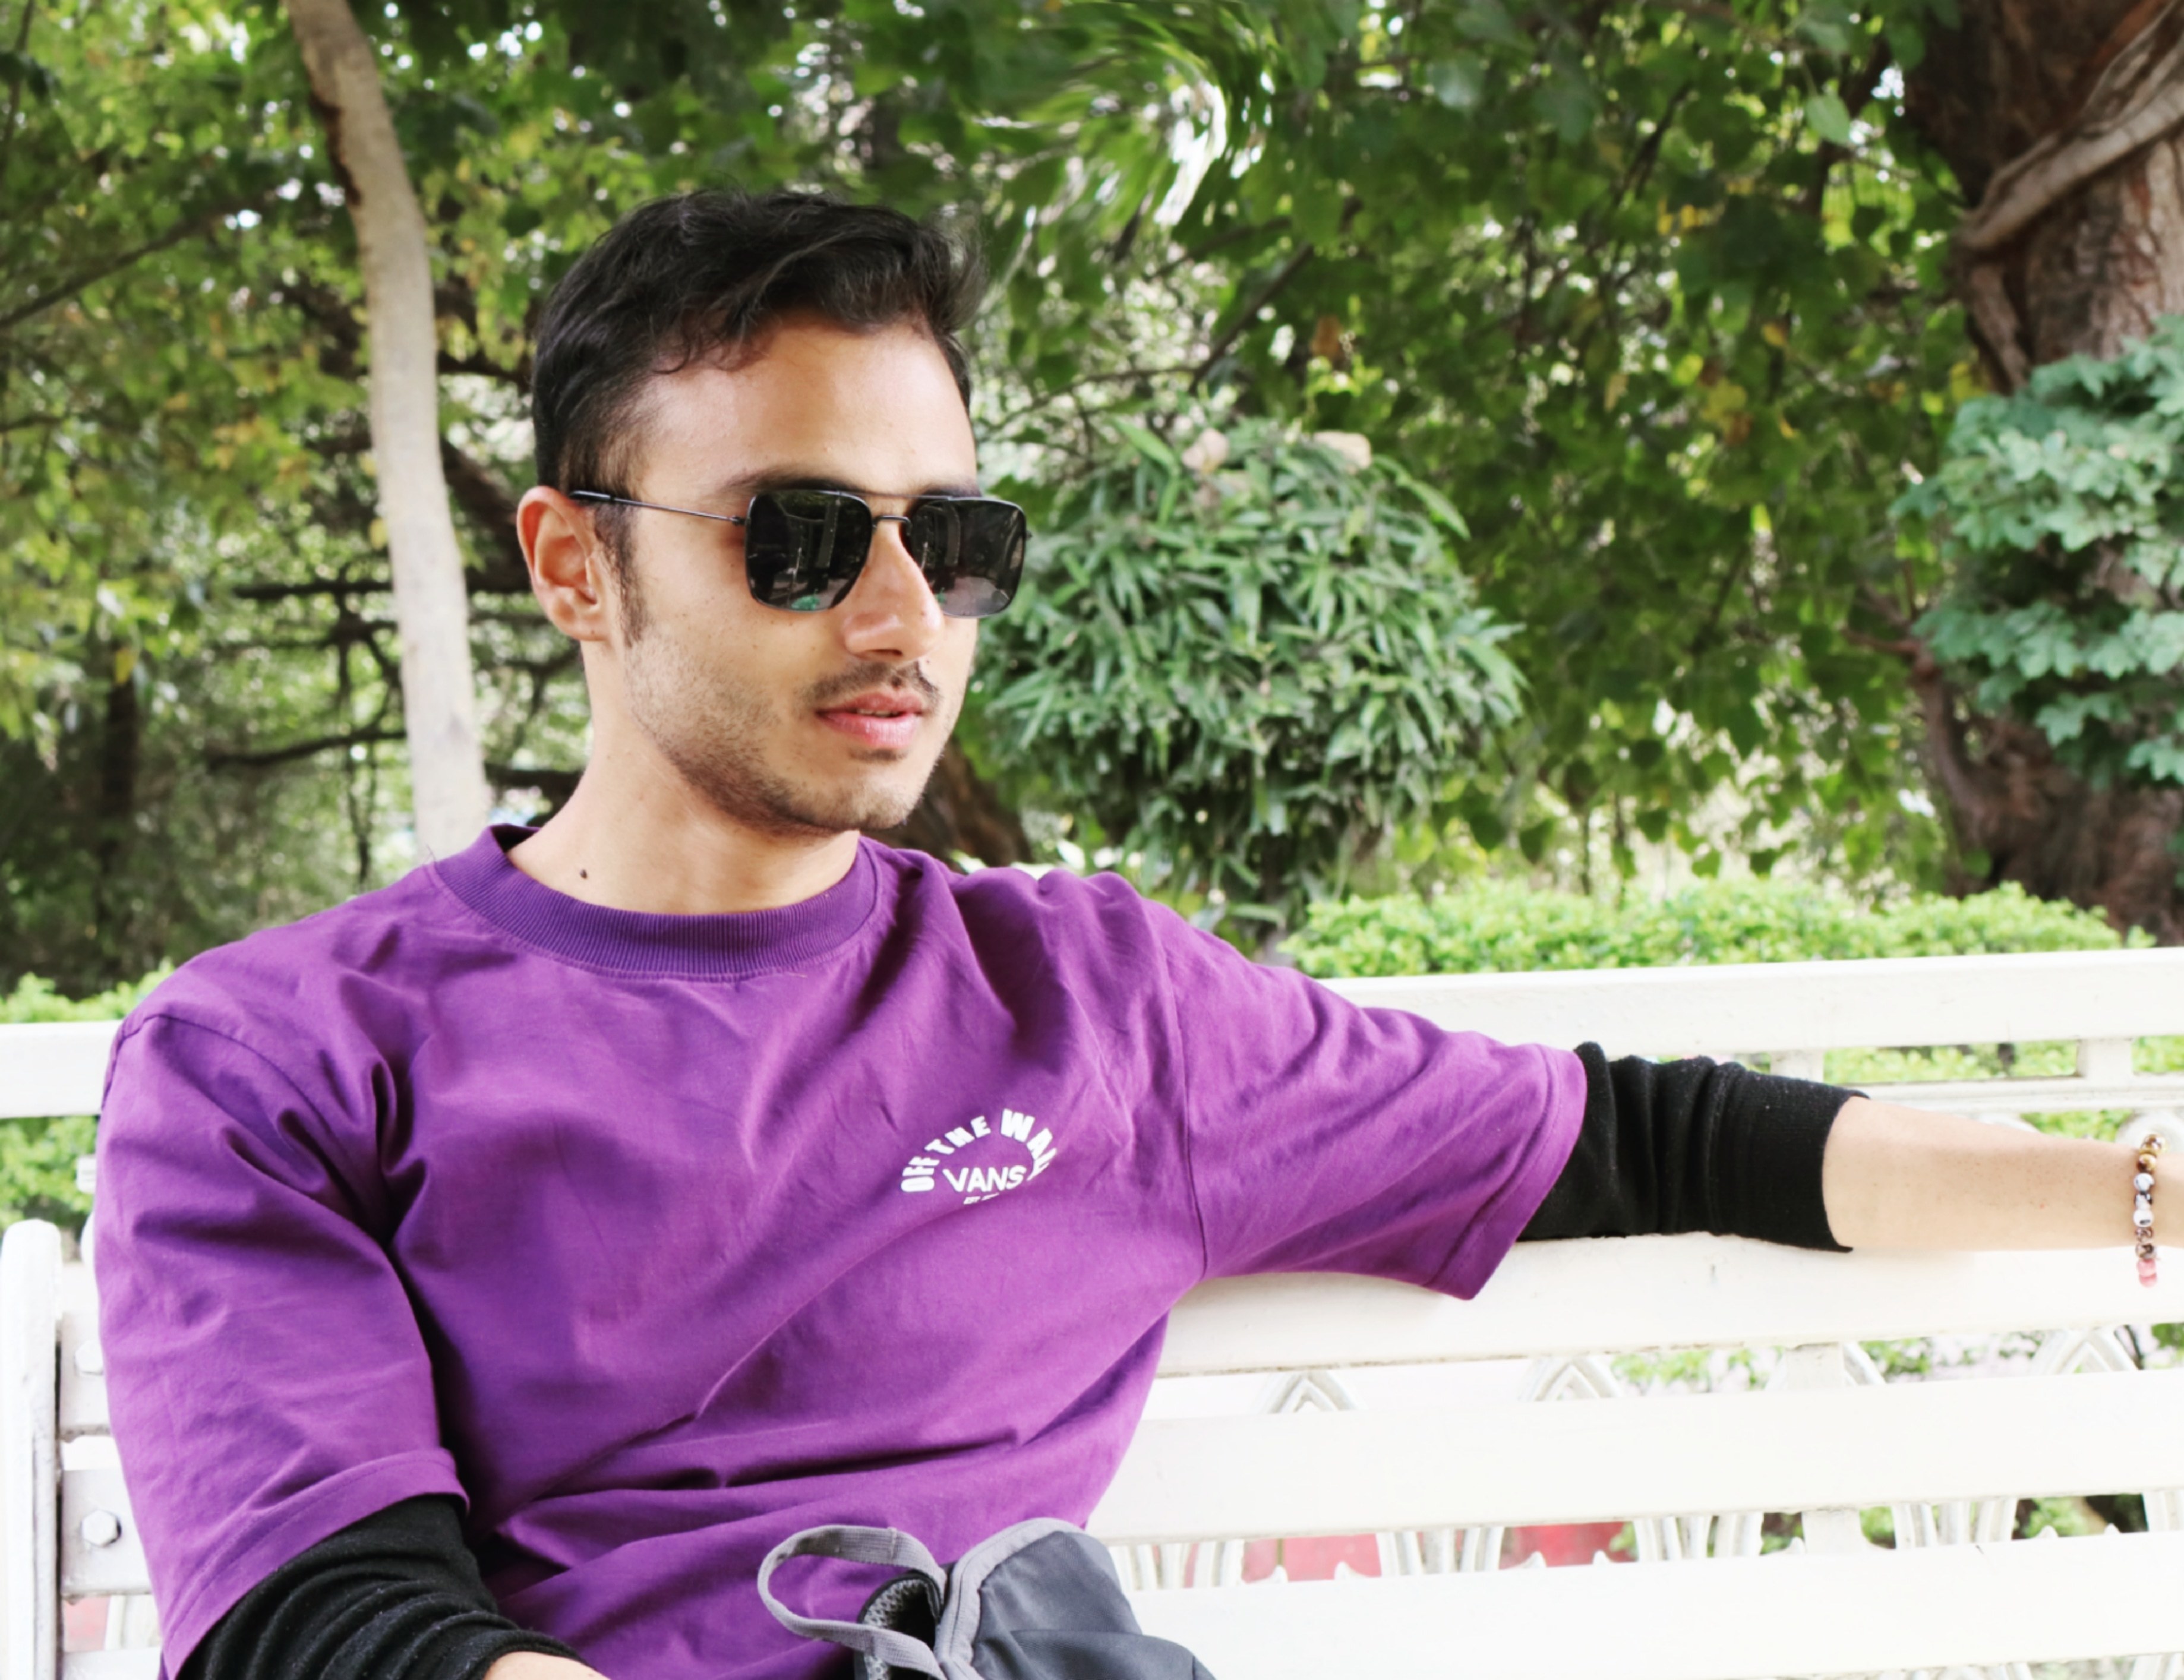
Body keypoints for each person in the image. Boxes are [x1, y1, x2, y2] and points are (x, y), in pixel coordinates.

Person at [93, 188, 2171, 1680]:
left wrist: (2134, 1185)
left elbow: (1642, 1133)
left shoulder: (1093, 1009)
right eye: (800, 537)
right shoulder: (279, 1054)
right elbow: (327, 1620)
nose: (902, 616)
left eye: (952, 540)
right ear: (572, 564)